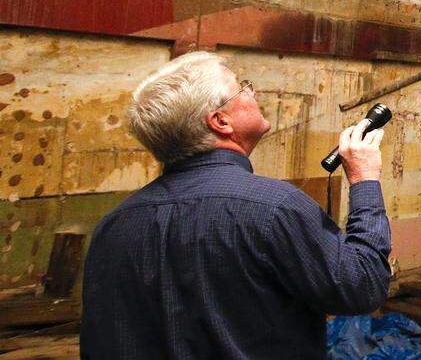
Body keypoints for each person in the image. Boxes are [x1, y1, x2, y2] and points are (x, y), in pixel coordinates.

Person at [80, 51, 392, 360]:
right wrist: (364, 178)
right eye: (242, 87)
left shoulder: (112, 225)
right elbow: (363, 285)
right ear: (220, 121)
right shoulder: (274, 208)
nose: (252, 92)